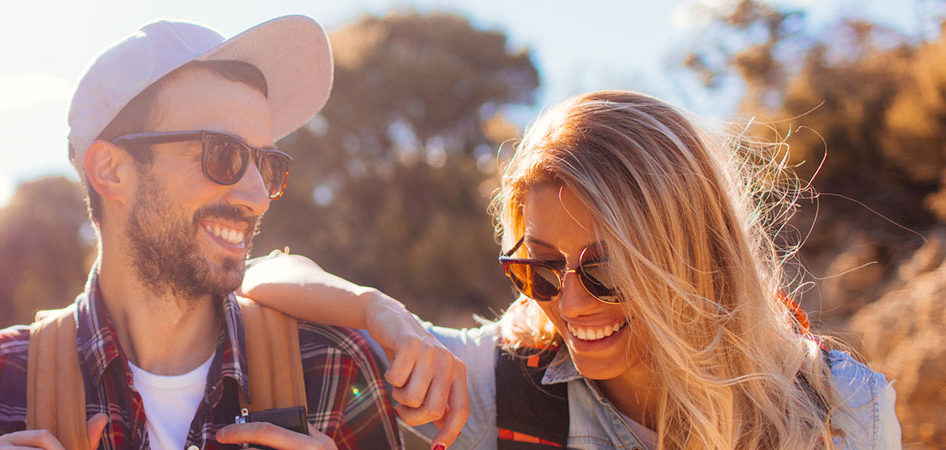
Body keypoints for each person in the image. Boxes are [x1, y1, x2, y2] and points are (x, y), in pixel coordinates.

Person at [240, 91, 903, 449]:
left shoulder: (846, 411)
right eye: (540, 269)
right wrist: (379, 312)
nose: (573, 303)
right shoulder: (501, 385)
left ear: (690, 256)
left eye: (605, 270)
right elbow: (260, 276)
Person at [0, 15, 420, 450]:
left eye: (268, 164)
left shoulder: (333, 368)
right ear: (112, 171)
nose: (257, 194)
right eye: (223, 154)